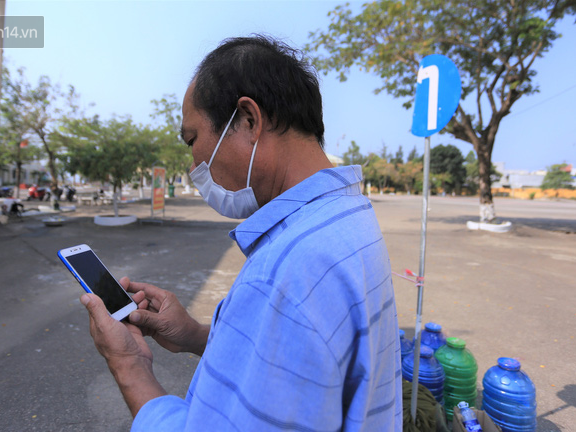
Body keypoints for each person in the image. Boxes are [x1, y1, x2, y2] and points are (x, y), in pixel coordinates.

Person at [80, 35, 402, 431]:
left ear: (248, 120)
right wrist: (197, 336)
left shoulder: (286, 271)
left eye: (192, 139)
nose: (194, 162)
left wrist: (129, 365)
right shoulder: (345, 216)